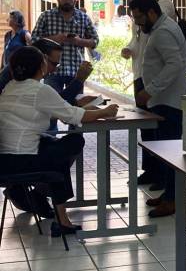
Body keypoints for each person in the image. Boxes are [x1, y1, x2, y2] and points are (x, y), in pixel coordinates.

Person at [0, 46, 118, 236]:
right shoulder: (40, 89)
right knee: (72, 143)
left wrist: (78, 108)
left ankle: (58, 215)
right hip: (23, 159)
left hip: (6, 159)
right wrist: (105, 111)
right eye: (50, 62)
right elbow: (74, 116)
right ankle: (57, 214)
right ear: (41, 66)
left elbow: (55, 110)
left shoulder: (10, 87)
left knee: (55, 149)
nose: (53, 66)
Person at [129, 0, 186, 217]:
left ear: (151, 12)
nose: (138, 23)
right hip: (163, 101)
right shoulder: (160, 28)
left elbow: (174, 64)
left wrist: (150, 90)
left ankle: (173, 200)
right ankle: (168, 195)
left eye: (139, 17)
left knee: (171, 154)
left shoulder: (163, 31)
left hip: (168, 103)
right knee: (165, 153)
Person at [122, 0, 177, 187]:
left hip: (157, 78)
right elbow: (137, 39)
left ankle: (163, 175)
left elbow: (153, 32)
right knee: (145, 126)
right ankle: (150, 170)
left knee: (160, 128)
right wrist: (129, 48)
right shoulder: (140, 10)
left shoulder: (164, 6)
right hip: (140, 72)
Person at [31, 0, 99, 98]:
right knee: (52, 105)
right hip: (52, 71)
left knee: (76, 105)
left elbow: (95, 41)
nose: (67, 1)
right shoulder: (46, 16)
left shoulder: (83, 18)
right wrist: (55, 38)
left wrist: (79, 41)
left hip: (76, 71)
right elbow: (33, 40)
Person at [0, 38, 94, 105]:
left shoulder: (26, 70)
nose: (55, 69)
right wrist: (79, 80)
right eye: (54, 64)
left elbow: (50, 102)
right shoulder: (19, 74)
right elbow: (54, 103)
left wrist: (76, 102)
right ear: (43, 59)